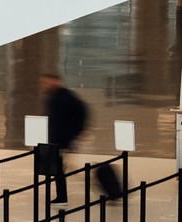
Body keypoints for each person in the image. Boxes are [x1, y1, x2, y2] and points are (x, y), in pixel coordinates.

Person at [39, 73, 122, 202]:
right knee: (61, 169)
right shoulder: (54, 97)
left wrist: (77, 132)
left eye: (47, 82)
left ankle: (111, 190)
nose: (45, 85)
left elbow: (82, 111)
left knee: (73, 169)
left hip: (66, 140)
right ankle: (63, 197)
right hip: (60, 140)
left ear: (55, 82)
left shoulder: (65, 96)